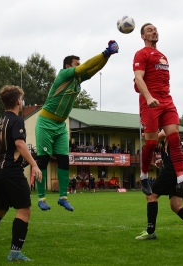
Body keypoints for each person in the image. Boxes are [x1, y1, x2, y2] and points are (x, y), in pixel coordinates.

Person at [34, 40, 119, 211]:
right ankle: (41, 197)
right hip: (45, 122)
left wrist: (108, 55)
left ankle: (63, 197)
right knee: (43, 161)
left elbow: (94, 69)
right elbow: (87, 65)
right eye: (76, 64)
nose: (80, 66)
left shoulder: (77, 80)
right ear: (68, 66)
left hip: (60, 126)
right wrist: (104, 51)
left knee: (64, 160)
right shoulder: (64, 74)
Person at [0, 85, 42, 261]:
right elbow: (19, 144)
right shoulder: (17, 120)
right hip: (12, 171)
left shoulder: (0, 121)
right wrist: (34, 164)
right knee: (24, 210)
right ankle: (15, 253)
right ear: (18, 101)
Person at [133, 23, 183, 196]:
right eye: (149, 30)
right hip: (149, 101)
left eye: (155, 29)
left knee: (174, 139)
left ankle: (182, 180)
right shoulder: (141, 53)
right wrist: (149, 97)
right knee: (151, 142)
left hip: (166, 100)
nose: (154, 32)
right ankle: (144, 176)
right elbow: (138, 78)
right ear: (143, 36)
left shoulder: (163, 56)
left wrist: (163, 97)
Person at [135, 130, 183, 240]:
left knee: (151, 195)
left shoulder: (165, 127)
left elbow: (163, 134)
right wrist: (163, 160)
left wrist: (150, 141)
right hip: (180, 169)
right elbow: (174, 153)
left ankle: (150, 232)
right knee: (176, 205)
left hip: (172, 170)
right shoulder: (170, 135)